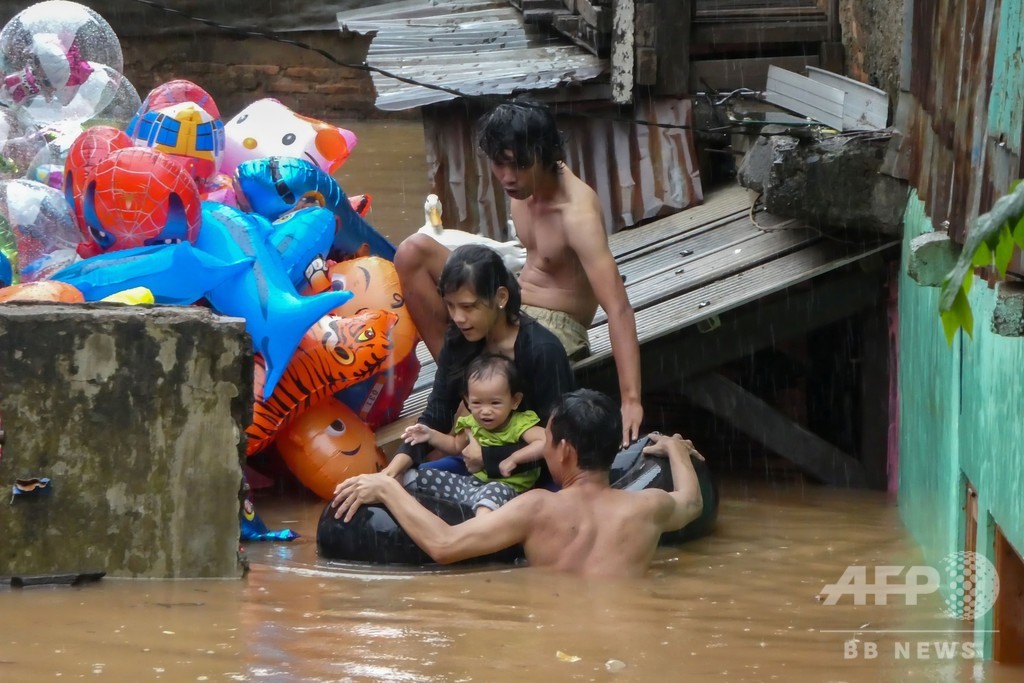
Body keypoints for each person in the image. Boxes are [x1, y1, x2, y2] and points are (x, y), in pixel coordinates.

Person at [395, 98, 643, 447]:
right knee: (411, 253)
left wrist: (630, 400)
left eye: (520, 165)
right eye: (500, 164)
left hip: (558, 324)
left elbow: (618, 307)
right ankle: (464, 390)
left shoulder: (576, 213)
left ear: (544, 155)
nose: (508, 177)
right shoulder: (521, 189)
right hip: (514, 300)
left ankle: (479, 402)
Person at [332, 389, 705, 578]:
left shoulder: (537, 508)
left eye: (549, 440)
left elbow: (444, 545)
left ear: (566, 452)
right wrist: (675, 448)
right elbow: (692, 502)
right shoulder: (650, 506)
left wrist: (387, 488)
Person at [382, 244, 574, 482]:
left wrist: (488, 456)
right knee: (407, 481)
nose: (458, 318)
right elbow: (438, 412)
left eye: (468, 306)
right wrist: (392, 470)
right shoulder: (460, 340)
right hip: (478, 467)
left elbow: (560, 440)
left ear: (501, 297)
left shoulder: (542, 351)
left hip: (530, 476)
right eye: (450, 305)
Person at [401, 353, 546, 515]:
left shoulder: (519, 424)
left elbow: (545, 441)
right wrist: (430, 435)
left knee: (488, 501)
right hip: (473, 485)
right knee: (411, 477)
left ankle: (478, 530)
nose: (485, 411)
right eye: (477, 403)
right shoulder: (472, 422)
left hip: (509, 492)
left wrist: (514, 458)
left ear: (515, 401)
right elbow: (455, 445)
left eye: (495, 403)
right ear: (467, 400)